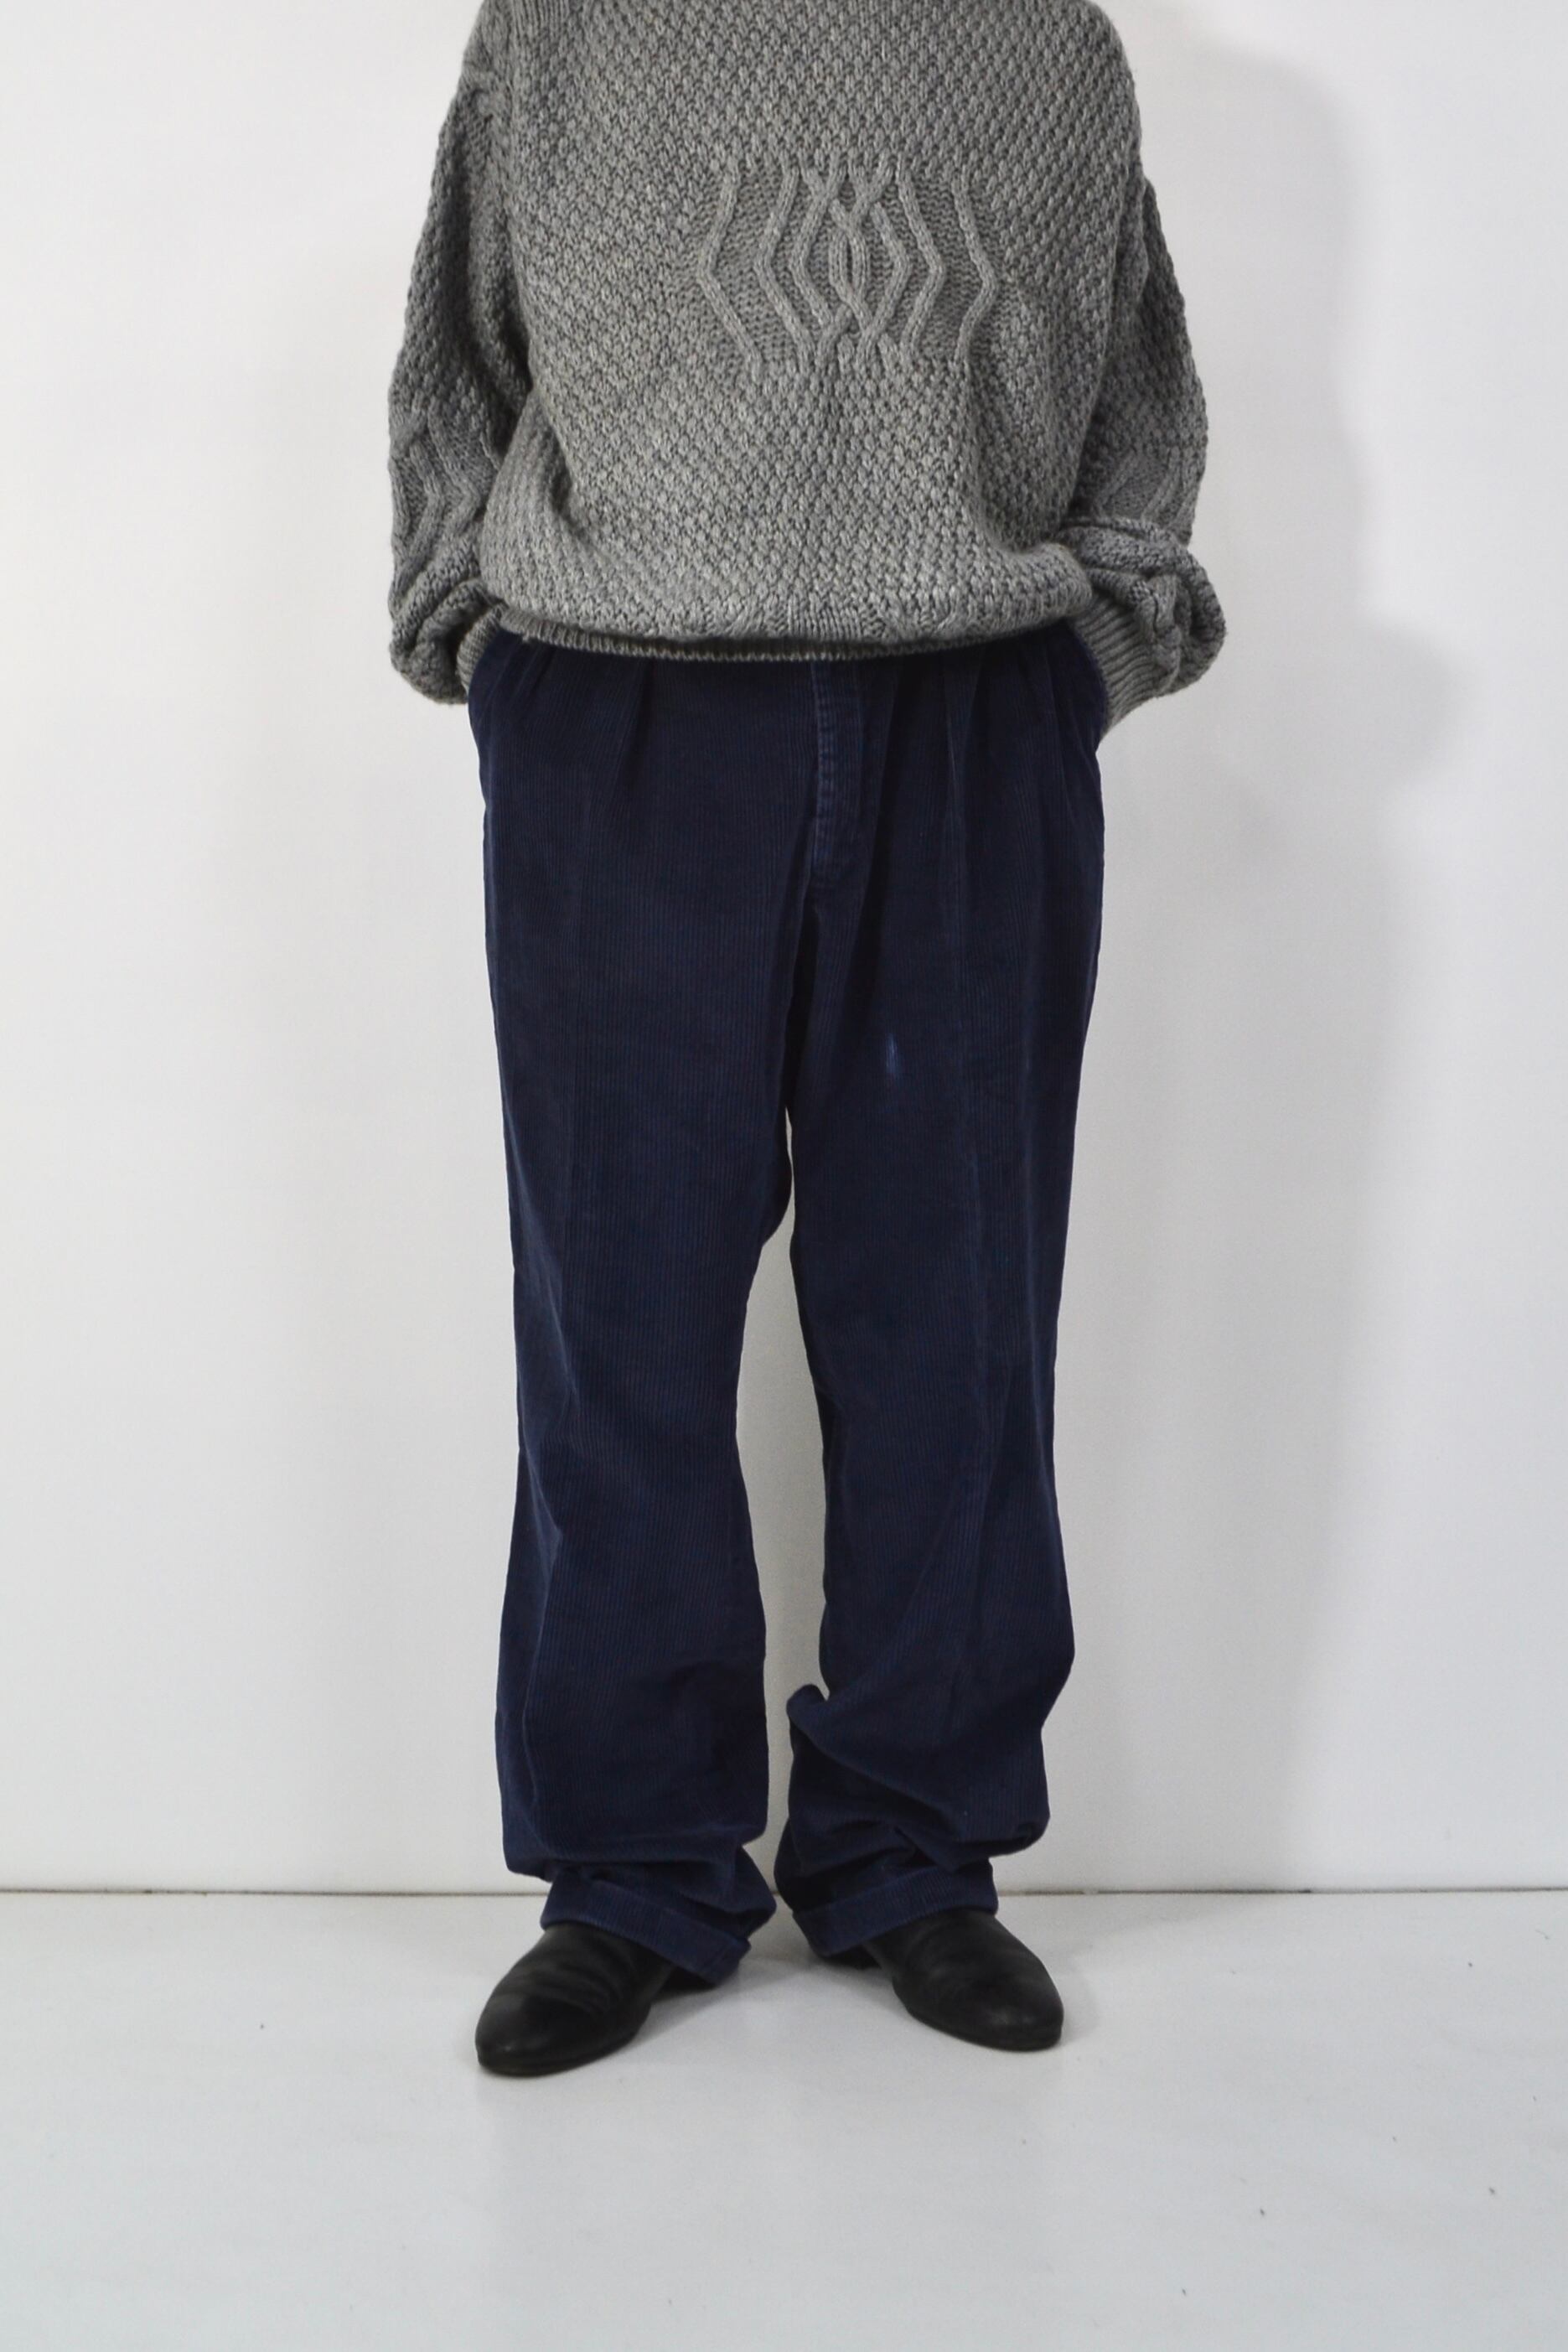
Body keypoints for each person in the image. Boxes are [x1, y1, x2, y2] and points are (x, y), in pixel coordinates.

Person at [386, 0, 1225, 2077]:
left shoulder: (1051, 41)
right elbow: (458, 357)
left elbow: (1136, 395)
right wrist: (489, 645)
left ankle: (914, 1849)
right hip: (624, 713)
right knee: (621, 1315)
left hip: (971, 714)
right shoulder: (561, 28)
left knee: (956, 1313)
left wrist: (1086, 650)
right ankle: (632, 1870)